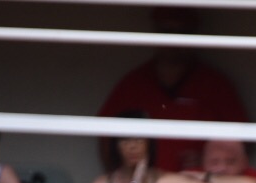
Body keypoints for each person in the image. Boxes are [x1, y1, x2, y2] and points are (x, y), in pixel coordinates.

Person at [97, 7, 248, 173]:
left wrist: (208, 157)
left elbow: (244, 141)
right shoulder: (133, 83)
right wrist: (121, 179)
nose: (174, 38)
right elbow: (105, 138)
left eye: (183, 32)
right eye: (167, 31)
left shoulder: (216, 84)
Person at [180, 139, 256, 183]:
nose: (222, 168)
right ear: (203, 162)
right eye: (214, 162)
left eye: (230, 162)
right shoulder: (193, 172)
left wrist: (206, 178)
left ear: (244, 162)